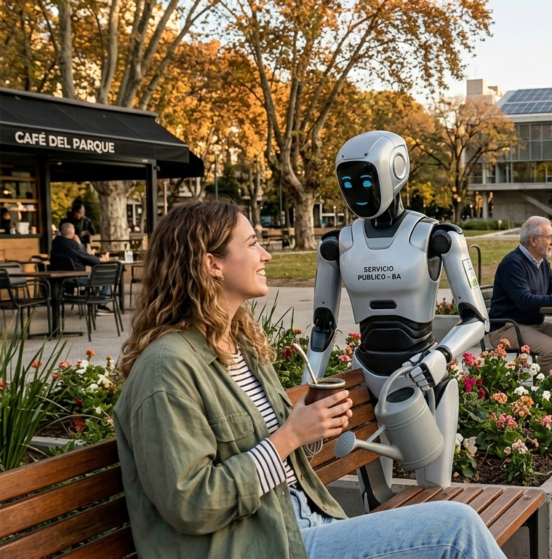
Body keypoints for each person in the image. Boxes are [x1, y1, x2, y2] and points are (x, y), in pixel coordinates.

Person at [113, 202, 503, 559]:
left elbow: (277, 453)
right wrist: (290, 436)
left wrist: (312, 425)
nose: (265, 255)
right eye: (251, 244)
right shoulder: (167, 369)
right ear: (212, 264)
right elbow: (192, 502)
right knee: (457, 530)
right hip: (261, 546)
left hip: (299, 526)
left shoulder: (238, 346)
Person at [488, 216, 552, 375]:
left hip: (534, 324)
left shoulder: (542, 263)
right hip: (507, 328)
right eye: (549, 237)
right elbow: (525, 301)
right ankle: (535, 393)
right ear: (533, 240)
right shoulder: (513, 263)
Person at [50, 222, 114, 313]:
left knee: (94, 279)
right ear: (72, 232)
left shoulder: (55, 243)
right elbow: (83, 256)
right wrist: (99, 260)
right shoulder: (72, 244)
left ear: (61, 231)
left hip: (59, 279)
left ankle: (94, 300)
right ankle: (101, 304)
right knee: (106, 279)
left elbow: (79, 256)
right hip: (75, 278)